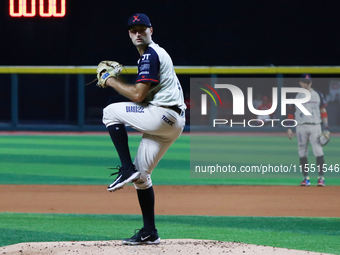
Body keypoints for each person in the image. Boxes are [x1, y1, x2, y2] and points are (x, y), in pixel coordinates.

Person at [100, 13, 186, 245]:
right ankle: (150, 232)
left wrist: (110, 80)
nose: (138, 33)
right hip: (173, 122)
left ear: (151, 30)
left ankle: (126, 168)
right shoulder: (154, 55)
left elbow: (138, 95)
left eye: (142, 29)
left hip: (162, 116)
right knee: (143, 177)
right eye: (133, 30)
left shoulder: (150, 55)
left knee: (110, 112)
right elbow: (144, 94)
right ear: (129, 34)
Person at [287, 74, 329, 186]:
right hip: (301, 126)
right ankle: (306, 178)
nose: (307, 84)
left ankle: (321, 178)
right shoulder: (296, 95)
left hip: (315, 126)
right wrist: (289, 127)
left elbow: (323, 110)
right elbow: (291, 111)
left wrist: (326, 128)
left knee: (318, 151)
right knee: (302, 153)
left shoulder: (317, 94)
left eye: (308, 82)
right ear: (300, 83)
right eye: (304, 82)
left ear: (311, 82)